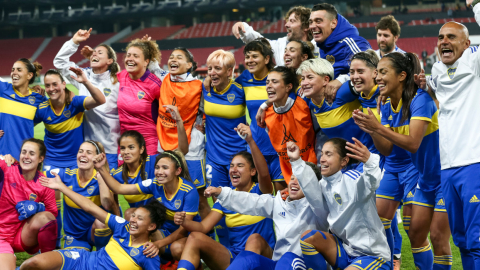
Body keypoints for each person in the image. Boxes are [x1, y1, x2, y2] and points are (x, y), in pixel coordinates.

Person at [354, 52, 452, 270]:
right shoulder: (388, 104)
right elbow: (387, 148)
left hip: (443, 177)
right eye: (377, 72)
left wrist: (378, 127)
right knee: (415, 235)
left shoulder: (421, 100)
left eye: (383, 72)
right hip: (425, 180)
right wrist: (372, 130)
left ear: (401, 76)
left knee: (437, 237)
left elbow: (413, 143)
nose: (377, 77)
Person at [206, 128, 329, 270]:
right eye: (292, 178)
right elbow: (251, 202)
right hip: (279, 265)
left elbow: (313, 191)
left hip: (307, 266)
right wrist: (222, 193)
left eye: (300, 181)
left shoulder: (319, 209)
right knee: (248, 258)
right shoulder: (280, 203)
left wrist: (296, 161)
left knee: (289, 258)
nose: (294, 182)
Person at [424, 2, 480, 268]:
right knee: (462, 241)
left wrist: (477, 5)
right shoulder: (436, 70)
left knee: (478, 240)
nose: (443, 41)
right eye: (440, 37)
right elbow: (438, 91)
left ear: (467, 44)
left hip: (474, 163)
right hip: (448, 168)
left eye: (451, 37)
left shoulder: (475, 62)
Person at [174, 125, 275, 270]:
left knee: (254, 239)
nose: (233, 169)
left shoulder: (261, 191)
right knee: (195, 237)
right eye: (232, 166)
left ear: (253, 171)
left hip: (264, 258)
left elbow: (264, 174)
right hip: (234, 258)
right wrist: (184, 222)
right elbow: (203, 227)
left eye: (240, 165)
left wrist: (251, 141)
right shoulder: (226, 198)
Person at [20, 177, 165, 270]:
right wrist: (62, 187)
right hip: (80, 259)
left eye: (139, 219)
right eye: (133, 215)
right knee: (32, 264)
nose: (132, 220)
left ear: (151, 226)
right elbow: (90, 207)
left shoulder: (148, 254)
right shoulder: (123, 226)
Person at [289, 139, 391, 270]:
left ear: (344, 161)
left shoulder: (352, 180)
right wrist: (296, 161)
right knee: (308, 238)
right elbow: (311, 190)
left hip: (372, 255)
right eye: (322, 153)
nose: (322, 159)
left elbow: (371, 183)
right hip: (346, 250)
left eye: (329, 154)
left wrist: (370, 161)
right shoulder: (324, 184)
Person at [96, 149, 199, 262]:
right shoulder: (155, 183)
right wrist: (101, 168)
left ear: (177, 171)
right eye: (157, 167)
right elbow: (119, 188)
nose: (159, 172)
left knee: (177, 248)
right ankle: (152, 261)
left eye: (165, 168)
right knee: (141, 226)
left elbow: (183, 230)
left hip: (187, 234)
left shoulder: (189, 191)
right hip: (165, 231)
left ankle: (191, 261)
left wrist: (158, 244)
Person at [54, 28, 121, 169]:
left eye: (99, 52)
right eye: (93, 53)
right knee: (90, 188)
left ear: (110, 60)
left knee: (110, 188)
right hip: (88, 148)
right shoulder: (83, 75)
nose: (94, 54)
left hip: (111, 147)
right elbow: (59, 62)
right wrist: (74, 41)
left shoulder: (118, 80)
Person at [44, 140, 119, 251]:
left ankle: (101, 255)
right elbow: (35, 173)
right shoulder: (66, 175)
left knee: (102, 223)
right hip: (74, 236)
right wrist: (13, 160)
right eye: (80, 151)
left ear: (97, 157)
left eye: (89, 152)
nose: (83, 155)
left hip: (96, 230)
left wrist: (101, 175)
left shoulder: (104, 177)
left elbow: (107, 204)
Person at [234, 39, 286, 191]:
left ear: (267, 59)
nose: (250, 60)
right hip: (256, 147)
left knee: (284, 197)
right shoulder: (244, 78)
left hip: (279, 147)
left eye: (254, 56)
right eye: (247, 57)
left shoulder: (278, 77)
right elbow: (227, 92)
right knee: (260, 196)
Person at [0, 138, 57, 270]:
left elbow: (52, 215)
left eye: (32, 153)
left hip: (22, 236)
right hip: (1, 237)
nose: (26, 156)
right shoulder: (7, 167)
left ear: (41, 158)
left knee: (45, 217)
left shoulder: (44, 183)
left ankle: (47, 261)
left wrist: (39, 207)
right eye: (23, 152)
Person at [36, 68, 106, 170]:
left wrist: (86, 82)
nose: (51, 89)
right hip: (52, 160)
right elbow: (25, 125)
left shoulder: (75, 103)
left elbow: (100, 100)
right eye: (47, 85)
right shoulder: (42, 109)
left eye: (55, 84)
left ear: (64, 84)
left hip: (77, 160)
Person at [263, 66, 317, 183]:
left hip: (313, 170)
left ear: (288, 87)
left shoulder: (304, 104)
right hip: (289, 177)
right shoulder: (266, 114)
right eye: (267, 82)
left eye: (274, 81)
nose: (269, 85)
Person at [203, 50, 246, 189]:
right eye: (210, 68)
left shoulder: (240, 91)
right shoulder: (205, 88)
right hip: (213, 157)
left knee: (239, 201)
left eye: (217, 68)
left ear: (229, 71)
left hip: (238, 156)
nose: (212, 72)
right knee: (217, 199)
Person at [309, 3, 371, 99]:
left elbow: (371, 69)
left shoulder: (353, 42)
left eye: (318, 21)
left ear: (333, 23)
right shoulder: (318, 45)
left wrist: (341, 80)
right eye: (311, 22)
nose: (312, 26)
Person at [117, 38, 161, 155]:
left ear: (146, 62)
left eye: (135, 56)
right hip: (125, 144)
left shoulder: (154, 84)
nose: (130, 59)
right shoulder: (121, 76)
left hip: (147, 144)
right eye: (128, 55)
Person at [232, 6, 319, 66]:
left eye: (292, 21)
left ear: (306, 26)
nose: (286, 25)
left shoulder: (319, 47)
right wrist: (242, 27)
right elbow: (259, 40)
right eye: (287, 21)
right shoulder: (280, 45)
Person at [0, 59, 46, 160]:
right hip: (2, 157)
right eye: (13, 70)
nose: (14, 73)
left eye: (19, 70)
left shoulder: (39, 98)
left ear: (29, 75)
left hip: (24, 159)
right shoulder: (3, 89)